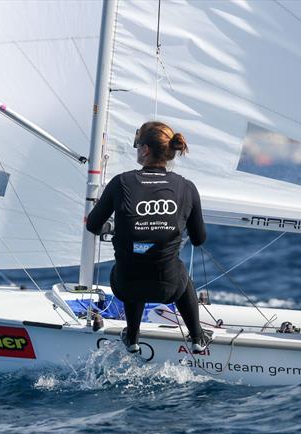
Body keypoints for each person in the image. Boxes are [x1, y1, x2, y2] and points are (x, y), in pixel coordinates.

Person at [86, 121, 209, 353]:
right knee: (174, 267)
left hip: (124, 286)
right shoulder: (187, 187)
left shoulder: (121, 182)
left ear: (144, 150)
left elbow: (93, 225)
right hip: (169, 288)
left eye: (137, 145)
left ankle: (132, 338)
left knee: (135, 259)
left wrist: (115, 227)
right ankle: (197, 337)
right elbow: (199, 239)